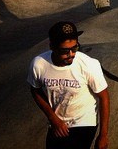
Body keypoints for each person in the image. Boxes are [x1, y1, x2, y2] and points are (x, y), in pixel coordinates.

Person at [28, 21, 110, 149]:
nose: (71, 54)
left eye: (75, 48)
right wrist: (53, 118)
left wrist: (103, 135)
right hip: (58, 122)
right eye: (65, 51)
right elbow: (35, 90)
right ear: (52, 47)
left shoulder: (88, 64)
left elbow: (104, 97)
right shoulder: (39, 64)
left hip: (84, 123)